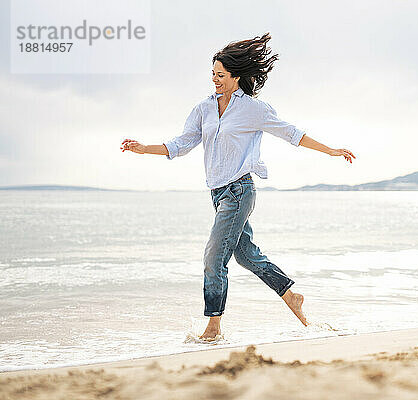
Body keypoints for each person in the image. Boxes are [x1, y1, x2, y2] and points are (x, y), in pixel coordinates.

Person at [120, 32, 356, 341]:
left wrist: (331, 150)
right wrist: (143, 148)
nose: (215, 80)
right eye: (213, 74)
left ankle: (213, 327)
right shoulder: (204, 108)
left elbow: (291, 133)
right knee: (246, 256)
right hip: (218, 194)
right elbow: (181, 143)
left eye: (220, 75)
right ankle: (290, 296)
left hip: (239, 191)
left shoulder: (254, 110)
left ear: (236, 77)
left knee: (213, 258)